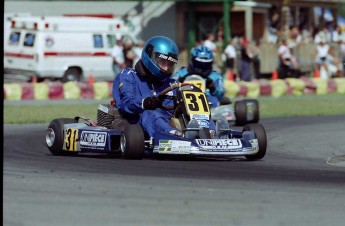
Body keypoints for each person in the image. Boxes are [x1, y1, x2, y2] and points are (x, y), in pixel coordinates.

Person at [112, 36, 182, 137]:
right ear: (150, 57)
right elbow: (126, 105)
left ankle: (209, 134)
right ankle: (170, 134)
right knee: (150, 113)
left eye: (170, 64)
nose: (166, 67)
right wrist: (146, 103)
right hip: (137, 124)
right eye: (162, 62)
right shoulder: (129, 76)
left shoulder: (172, 83)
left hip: (168, 121)